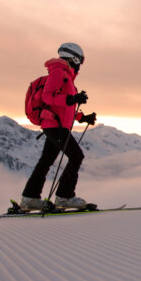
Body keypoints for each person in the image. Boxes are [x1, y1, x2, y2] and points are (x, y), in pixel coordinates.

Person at [21, 43, 97, 211]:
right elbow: (49, 97)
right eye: (81, 60)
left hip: (55, 125)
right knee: (76, 156)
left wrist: (83, 117)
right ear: (74, 57)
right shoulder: (59, 72)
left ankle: (29, 198)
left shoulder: (66, 76)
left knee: (46, 161)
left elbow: (63, 106)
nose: (80, 65)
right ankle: (64, 197)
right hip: (55, 126)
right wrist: (71, 99)